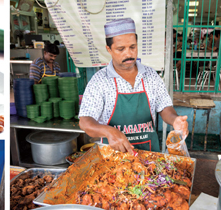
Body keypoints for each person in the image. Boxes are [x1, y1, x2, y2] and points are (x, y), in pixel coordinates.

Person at [79, 18, 189, 154]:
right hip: (113, 157)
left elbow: (165, 107)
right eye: (121, 49)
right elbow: (85, 121)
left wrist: (175, 120)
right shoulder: (100, 81)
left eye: (132, 47)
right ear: (109, 49)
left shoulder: (150, 75)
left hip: (150, 154)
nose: (129, 54)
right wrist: (109, 131)